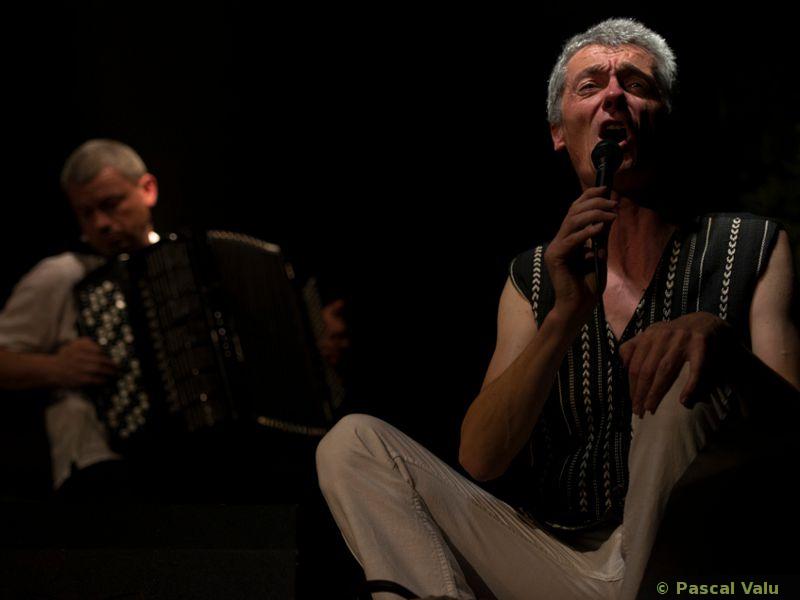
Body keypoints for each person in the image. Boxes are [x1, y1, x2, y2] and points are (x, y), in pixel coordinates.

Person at [315, 18, 800, 600]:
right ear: (558, 133)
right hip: (559, 561)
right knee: (352, 443)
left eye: (636, 84)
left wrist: (720, 345)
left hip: (694, 566)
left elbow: (794, 439)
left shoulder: (752, 246)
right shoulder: (533, 278)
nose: (613, 95)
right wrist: (566, 313)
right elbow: (482, 458)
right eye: (590, 85)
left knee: (682, 364)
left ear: (667, 118)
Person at [0, 138, 349, 499]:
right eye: (85, 213)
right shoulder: (61, 276)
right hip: (104, 473)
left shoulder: (193, 262)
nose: (100, 223)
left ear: (148, 189)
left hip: (217, 470)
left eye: (110, 204)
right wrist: (55, 368)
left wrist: (313, 340)